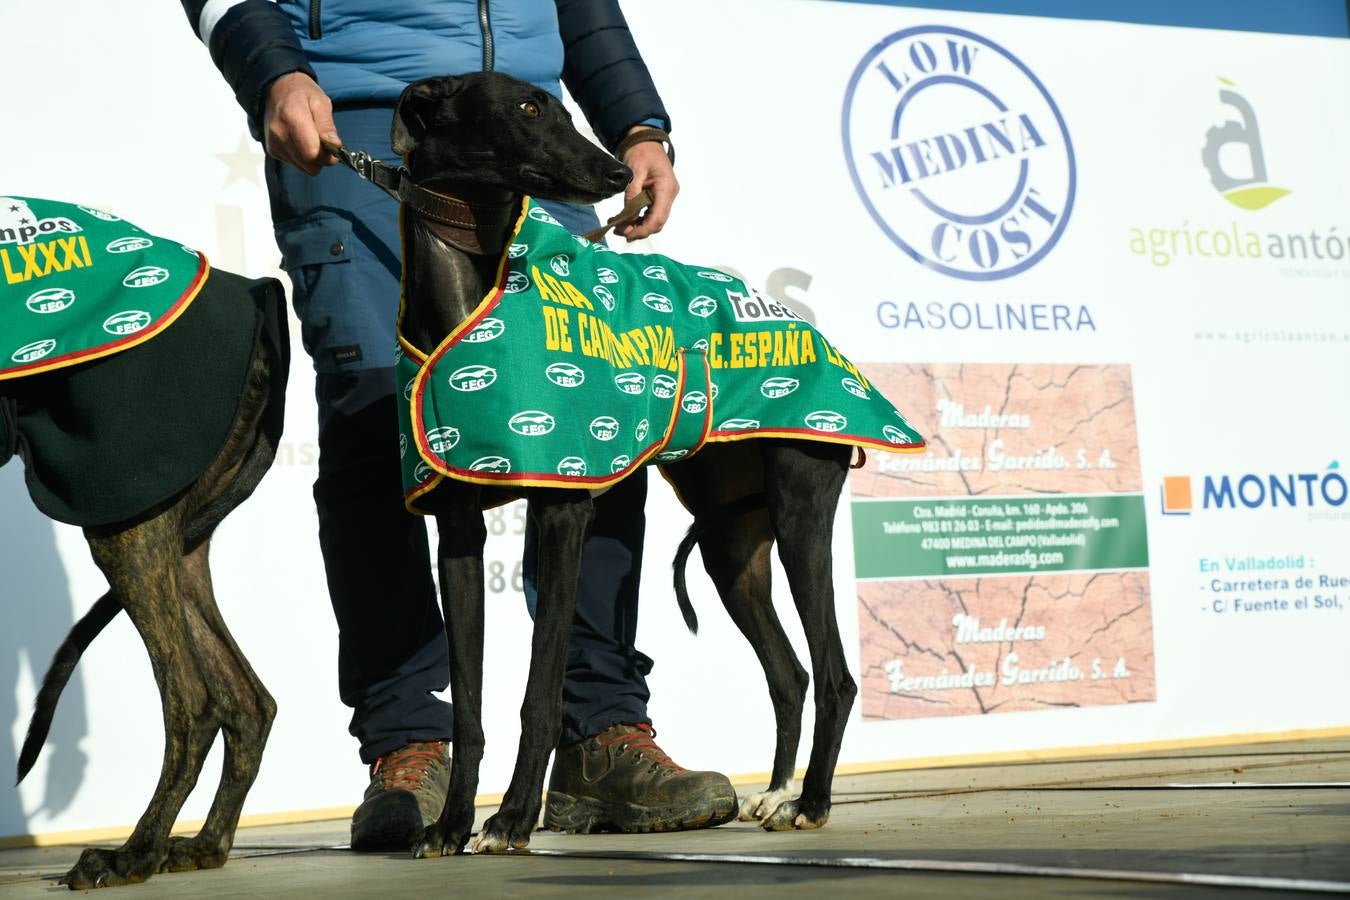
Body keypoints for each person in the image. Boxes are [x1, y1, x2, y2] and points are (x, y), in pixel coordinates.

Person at [179, 0, 736, 849]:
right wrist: (275, 69)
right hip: (357, 120)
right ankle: (410, 743)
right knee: (379, 421)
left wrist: (636, 122)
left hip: (529, 130)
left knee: (597, 423)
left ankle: (600, 732)